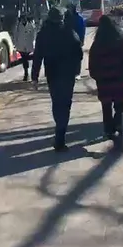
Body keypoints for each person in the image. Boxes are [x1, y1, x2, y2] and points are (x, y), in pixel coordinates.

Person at [32, 8, 84, 151]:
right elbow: (79, 54)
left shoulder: (43, 34)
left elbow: (37, 57)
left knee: (56, 103)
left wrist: (34, 77)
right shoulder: (69, 32)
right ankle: (60, 136)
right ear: (62, 18)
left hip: (52, 74)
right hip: (68, 75)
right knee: (65, 105)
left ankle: (59, 131)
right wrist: (76, 70)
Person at [88, 15, 123, 147]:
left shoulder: (97, 44)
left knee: (106, 106)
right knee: (119, 104)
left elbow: (92, 64)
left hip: (103, 81)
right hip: (120, 80)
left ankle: (108, 130)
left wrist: (96, 76)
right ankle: (119, 124)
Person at [13, 12, 37, 81]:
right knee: (24, 59)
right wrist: (15, 44)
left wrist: (32, 42)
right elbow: (15, 35)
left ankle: (30, 73)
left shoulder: (31, 25)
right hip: (21, 45)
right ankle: (26, 73)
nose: (23, 20)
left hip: (29, 45)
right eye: (22, 19)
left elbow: (34, 35)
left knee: (28, 58)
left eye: (24, 19)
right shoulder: (18, 26)